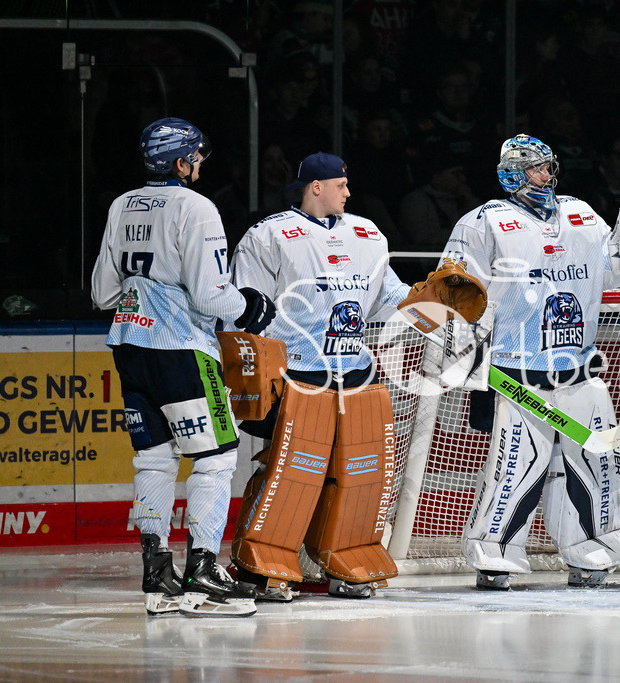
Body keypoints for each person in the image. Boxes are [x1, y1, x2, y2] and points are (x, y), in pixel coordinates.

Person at [439, 134, 620, 590]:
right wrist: (465, 361)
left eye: (550, 167)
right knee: (519, 465)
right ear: (513, 173)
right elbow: (457, 293)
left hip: (580, 370)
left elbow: (611, 271)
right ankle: (494, 553)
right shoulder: (483, 223)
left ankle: (591, 547)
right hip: (518, 373)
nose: (548, 176)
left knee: (595, 463)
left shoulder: (581, 213)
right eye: (537, 168)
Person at [91, 117, 277, 617]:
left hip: (128, 344)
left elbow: (102, 292)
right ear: (180, 161)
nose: (199, 164)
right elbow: (211, 293)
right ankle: (203, 571)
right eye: (195, 156)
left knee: (153, 459)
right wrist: (253, 308)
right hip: (181, 350)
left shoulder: (121, 205)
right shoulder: (196, 207)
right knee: (216, 458)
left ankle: (157, 574)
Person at [226, 151, 414, 600]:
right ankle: (261, 564)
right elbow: (244, 307)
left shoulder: (367, 233)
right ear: (316, 187)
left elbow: (391, 294)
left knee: (359, 473)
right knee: (289, 472)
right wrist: (254, 375)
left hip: (355, 372)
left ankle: (345, 561)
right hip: (297, 373)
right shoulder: (268, 236)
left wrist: (432, 300)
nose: (349, 192)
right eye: (341, 185)